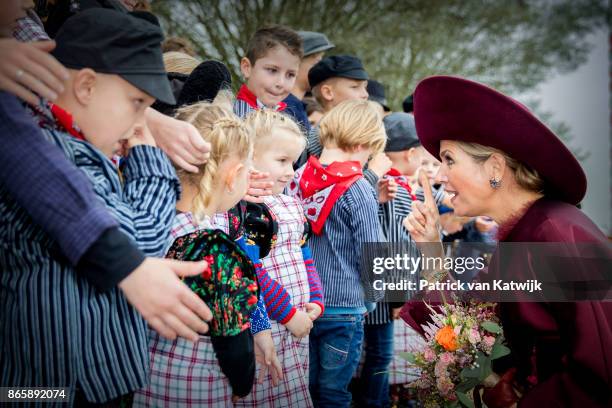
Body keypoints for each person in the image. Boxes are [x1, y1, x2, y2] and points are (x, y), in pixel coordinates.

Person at [1, 8, 210, 405]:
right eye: (136, 104)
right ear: (85, 87)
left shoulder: (89, 149)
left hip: (103, 379)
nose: (140, 122)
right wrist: (147, 149)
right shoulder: (58, 154)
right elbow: (143, 239)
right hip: (46, 389)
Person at [403, 75, 612, 407]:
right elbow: (462, 329)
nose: (440, 176)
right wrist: (430, 248)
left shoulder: (556, 233)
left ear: (495, 167)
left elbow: (600, 369)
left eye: (449, 160)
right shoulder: (519, 235)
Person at [133, 102, 277, 406]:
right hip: (197, 388)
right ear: (234, 174)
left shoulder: (149, 219)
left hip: (145, 378)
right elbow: (232, 338)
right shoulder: (214, 247)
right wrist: (243, 382)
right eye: (248, 170)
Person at [288, 99, 386, 408]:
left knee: (304, 391)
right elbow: (373, 252)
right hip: (344, 306)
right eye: (371, 151)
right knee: (333, 394)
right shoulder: (358, 188)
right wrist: (373, 297)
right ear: (360, 144)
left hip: (301, 303)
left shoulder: (296, 178)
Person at [236, 109, 325, 408]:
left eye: (294, 161)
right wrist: (287, 313)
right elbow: (251, 271)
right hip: (269, 325)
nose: (290, 171)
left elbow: (304, 254)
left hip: (299, 321)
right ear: (249, 156)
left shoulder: (291, 204)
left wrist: (316, 296)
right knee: (266, 390)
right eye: (281, 161)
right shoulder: (244, 209)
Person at [235, 24, 302, 118]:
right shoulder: (234, 119)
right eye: (272, 70)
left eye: (290, 75)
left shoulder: (292, 116)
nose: (281, 83)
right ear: (247, 68)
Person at [283, 30, 335, 133]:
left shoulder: (298, 106)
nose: (322, 69)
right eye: (317, 62)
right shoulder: (286, 109)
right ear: (295, 64)